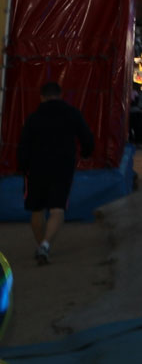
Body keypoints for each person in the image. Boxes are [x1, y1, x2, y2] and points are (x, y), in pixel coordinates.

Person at [18, 82, 95, 265]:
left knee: (36, 209)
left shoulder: (33, 118)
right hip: (62, 166)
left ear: (41, 97)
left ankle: (42, 246)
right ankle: (45, 245)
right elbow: (87, 139)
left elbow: (23, 146)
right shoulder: (72, 113)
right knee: (57, 208)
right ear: (60, 95)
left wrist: (22, 167)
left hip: (36, 168)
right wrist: (85, 153)